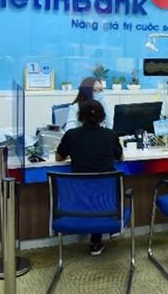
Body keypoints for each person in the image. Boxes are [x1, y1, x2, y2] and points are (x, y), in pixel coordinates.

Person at [56, 99, 123, 255]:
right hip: (106, 202)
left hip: (78, 198)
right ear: (102, 117)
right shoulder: (110, 135)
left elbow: (59, 157)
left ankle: (96, 240)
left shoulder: (71, 135)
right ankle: (110, 227)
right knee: (105, 186)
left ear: (81, 117)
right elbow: (121, 158)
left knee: (93, 189)